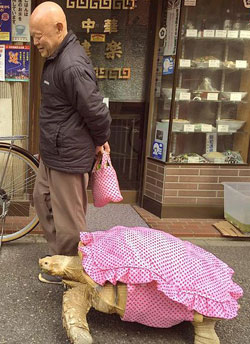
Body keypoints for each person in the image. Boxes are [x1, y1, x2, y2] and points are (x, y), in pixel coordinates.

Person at [30, 2, 111, 284]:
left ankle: (74, 275)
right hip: (54, 153)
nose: (35, 41)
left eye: (39, 35)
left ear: (59, 28)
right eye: (32, 35)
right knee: (42, 201)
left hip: (69, 156)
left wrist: (101, 141)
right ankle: (60, 259)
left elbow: (96, 110)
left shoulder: (71, 64)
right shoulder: (56, 57)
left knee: (70, 223)